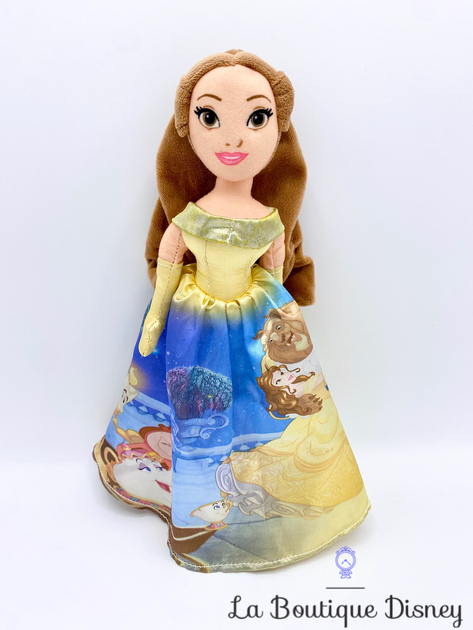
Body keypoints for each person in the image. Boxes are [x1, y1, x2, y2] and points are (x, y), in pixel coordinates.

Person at [92, 49, 371, 573]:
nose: (233, 138)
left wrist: (281, 336)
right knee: (187, 402)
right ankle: (175, 487)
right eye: (210, 116)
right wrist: (155, 321)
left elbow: (274, 280)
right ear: (187, 127)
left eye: (256, 118)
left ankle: (253, 489)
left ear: (278, 130)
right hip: (192, 321)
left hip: (248, 319)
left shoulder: (269, 222)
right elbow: (168, 271)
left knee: (249, 400)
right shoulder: (189, 219)